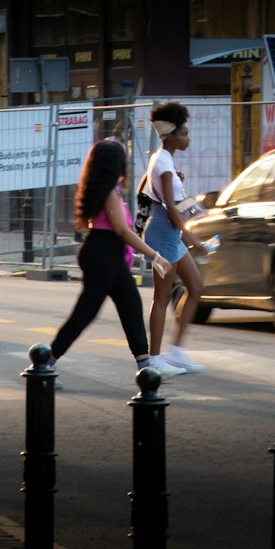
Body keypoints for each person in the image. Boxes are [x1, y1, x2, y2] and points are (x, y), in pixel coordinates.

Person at [50, 140, 175, 381]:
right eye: (124, 158)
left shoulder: (109, 189)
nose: (127, 162)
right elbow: (122, 230)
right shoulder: (108, 192)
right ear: (114, 163)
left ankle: (145, 366)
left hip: (109, 255)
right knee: (85, 313)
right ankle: (47, 361)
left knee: (131, 306)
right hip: (103, 254)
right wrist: (155, 256)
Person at [143, 101, 208, 375]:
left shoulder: (164, 160)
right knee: (161, 298)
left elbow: (161, 194)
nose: (187, 138)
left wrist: (174, 179)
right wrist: (194, 240)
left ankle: (177, 352)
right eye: (183, 134)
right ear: (169, 135)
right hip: (163, 236)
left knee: (195, 287)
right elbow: (171, 210)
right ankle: (154, 358)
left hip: (169, 236)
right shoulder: (164, 164)